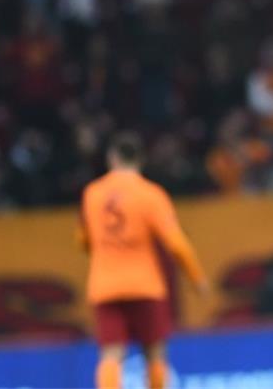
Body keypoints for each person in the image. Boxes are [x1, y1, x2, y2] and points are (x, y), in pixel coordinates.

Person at [79, 132, 209, 389]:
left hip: (105, 286)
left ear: (112, 158)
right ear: (140, 159)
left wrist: (104, 253)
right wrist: (197, 278)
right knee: (155, 353)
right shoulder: (151, 194)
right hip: (145, 285)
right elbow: (177, 244)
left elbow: (83, 240)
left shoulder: (92, 193)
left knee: (111, 354)